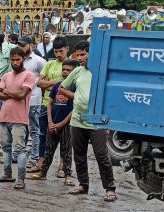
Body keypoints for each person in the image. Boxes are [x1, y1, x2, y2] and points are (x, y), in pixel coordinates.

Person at [59, 42, 117, 201]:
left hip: (97, 121)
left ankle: (110, 188)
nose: (79, 58)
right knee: (79, 154)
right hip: (77, 120)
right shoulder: (77, 71)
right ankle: (83, 184)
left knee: (101, 154)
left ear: (92, 53)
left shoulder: (101, 72)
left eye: (83, 54)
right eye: (77, 55)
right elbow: (62, 88)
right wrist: (75, 96)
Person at [0, 46, 37, 190]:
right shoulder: (7, 75)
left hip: (19, 118)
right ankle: (7, 174)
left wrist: (6, 91)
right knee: (5, 147)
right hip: (4, 117)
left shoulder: (29, 75)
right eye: (12, 60)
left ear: (23, 59)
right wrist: (13, 92)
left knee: (20, 149)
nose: (15, 62)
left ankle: (21, 179)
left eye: (17, 59)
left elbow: (21, 95)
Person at [30, 58, 76, 182]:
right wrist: (50, 121)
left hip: (66, 124)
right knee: (48, 149)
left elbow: (75, 109)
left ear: (74, 72)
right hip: (53, 123)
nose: (65, 72)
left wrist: (62, 123)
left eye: (68, 70)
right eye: (64, 69)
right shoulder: (57, 85)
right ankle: (43, 172)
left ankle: (68, 175)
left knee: (66, 151)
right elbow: (50, 104)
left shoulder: (75, 86)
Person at [37, 35, 70, 174]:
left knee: (65, 139)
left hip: (66, 106)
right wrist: (57, 84)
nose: (57, 54)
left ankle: (62, 167)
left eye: (60, 51)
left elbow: (72, 86)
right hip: (47, 104)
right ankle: (41, 163)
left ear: (67, 49)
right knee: (43, 135)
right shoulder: (49, 64)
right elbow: (39, 83)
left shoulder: (71, 66)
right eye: (55, 51)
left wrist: (49, 85)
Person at [18, 36, 47, 174]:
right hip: (20, 100)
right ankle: (20, 155)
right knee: (21, 128)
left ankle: (34, 158)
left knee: (34, 130)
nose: (21, 48)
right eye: (20, 45)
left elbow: (44, 80)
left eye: (24, 45)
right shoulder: (18, 60)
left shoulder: (39, 61)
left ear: (31, 45)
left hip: (34, 100)